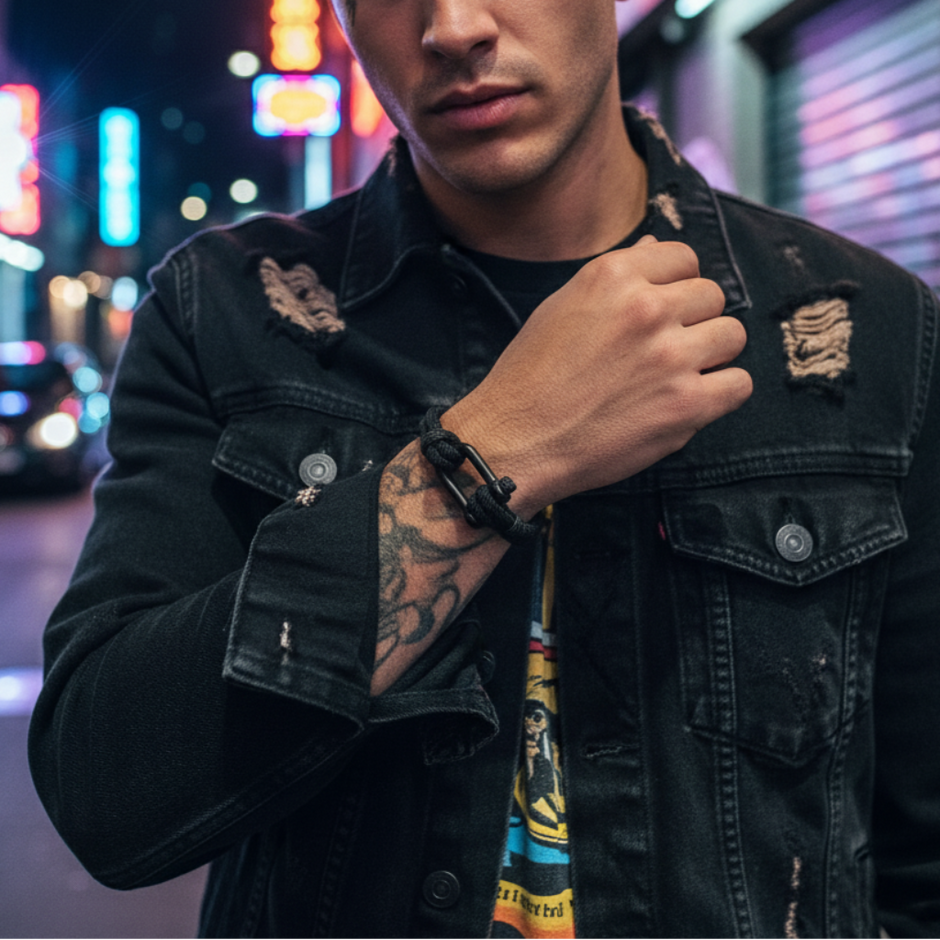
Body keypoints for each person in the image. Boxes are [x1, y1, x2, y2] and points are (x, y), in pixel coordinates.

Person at [28, 0, 940, 937]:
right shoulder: (229, 314)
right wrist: (495, 456)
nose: (453, 26)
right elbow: (105, 792)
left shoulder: (858, 332)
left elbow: (921, 865)